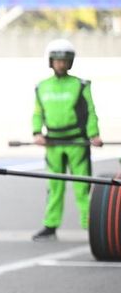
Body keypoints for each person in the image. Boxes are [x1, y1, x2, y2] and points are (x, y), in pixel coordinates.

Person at [31, 39, 102, 240]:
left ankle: (91, 227)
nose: (61, 64)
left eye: (65, 60)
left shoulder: (80, 85)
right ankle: (51, 226)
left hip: (77, 143)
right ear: (51, 62)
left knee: (82, 187)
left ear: (70, 62)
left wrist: (94, 134)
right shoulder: (41, 87)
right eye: (57, 60)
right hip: (53, 144)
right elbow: (37, 113)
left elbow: (90, 111)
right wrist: (37, 132)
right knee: (54, 186)